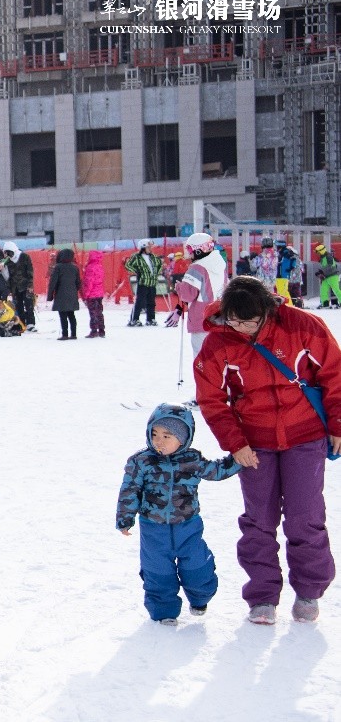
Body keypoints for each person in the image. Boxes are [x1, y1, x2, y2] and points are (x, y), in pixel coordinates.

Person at [193, 275, 341, 624]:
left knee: (305, 516)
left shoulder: (303, 326)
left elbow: (335, 376)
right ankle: (262, 597)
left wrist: (337, 424)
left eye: (248, 321)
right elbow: (212, 400)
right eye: (234, 320)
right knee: (259, 519)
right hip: (254, 442)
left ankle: (308, 591)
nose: (240, 328)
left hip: (304, 434)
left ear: (267, 312)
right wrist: (236, 443)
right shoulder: (217, 343)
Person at [116, 404, 241, 625]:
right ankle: (164, 611)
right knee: (157, 570)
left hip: (188, 526)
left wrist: (239, 460)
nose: (159, 441)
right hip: (153, 529)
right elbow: (130, 490)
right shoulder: (141, 462)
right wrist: (125, 518)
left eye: (167, 435)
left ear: (183, 438)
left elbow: (216, 471)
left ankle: (200, 597)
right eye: (154, 434)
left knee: (197, 566)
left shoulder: (192, 460)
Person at [169, 233, 229, 358]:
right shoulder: (220, 264)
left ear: (198, 250)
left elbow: (188, 295)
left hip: (201, 319)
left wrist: (180, 287)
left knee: (202, 357)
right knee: (219, 356)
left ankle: (204, 377)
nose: (189, 254)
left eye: (190, 250)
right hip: (219, 317)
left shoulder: (197, 268)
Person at [125, 239, 163, 326]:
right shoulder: (137, 257)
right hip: (143, 282)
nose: (150, 249)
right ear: (143, 247)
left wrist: (157, 272)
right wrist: (137, 271)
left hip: (152, 282)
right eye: (148, 247)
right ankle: (134, 319)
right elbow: (128, 265)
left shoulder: (153, 257)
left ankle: (150, 319)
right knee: (140, 302)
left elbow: (159, 264)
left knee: (151, 302)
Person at [48, 248, 82, 340]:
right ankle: (74, 334)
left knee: (63, 315)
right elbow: (78, 283)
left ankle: (65, 334)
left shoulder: (58, 267)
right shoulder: (75, 267)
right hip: (72, 295)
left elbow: (53, 282)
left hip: (61, 295)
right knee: (71, 315)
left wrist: (50, 295)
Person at [3, 241, 37, 331]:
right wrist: (9, 288)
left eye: (9, 252)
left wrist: (30, 284)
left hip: (26, 286)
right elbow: (7, 276)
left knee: (29, 305)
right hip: (15, 287)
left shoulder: (24, 257)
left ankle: (31, 324)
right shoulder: (7, 261)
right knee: (18, 306)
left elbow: (30, 271)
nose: (8, 255)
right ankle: (22, 323)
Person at [82, 250, 106, 338]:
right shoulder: (100, 266)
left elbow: (89, 282)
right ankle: (102, 330)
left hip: (92, 294)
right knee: (99, 312)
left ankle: (94, 330)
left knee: (93, 313)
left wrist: (86, 294)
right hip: (99, 293)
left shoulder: (90, 268)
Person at [316, 243, 339, 309]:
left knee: (336, 290)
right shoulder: (322, 258)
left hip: (333, 276)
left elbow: (330, 265)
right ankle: (325, 303)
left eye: (318, 252)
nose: (318, 254)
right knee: (323, 290)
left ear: (321, 251)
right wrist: (320, 273)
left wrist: (321, 271)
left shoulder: (328, 256)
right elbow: (324, 267)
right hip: (326, 277)